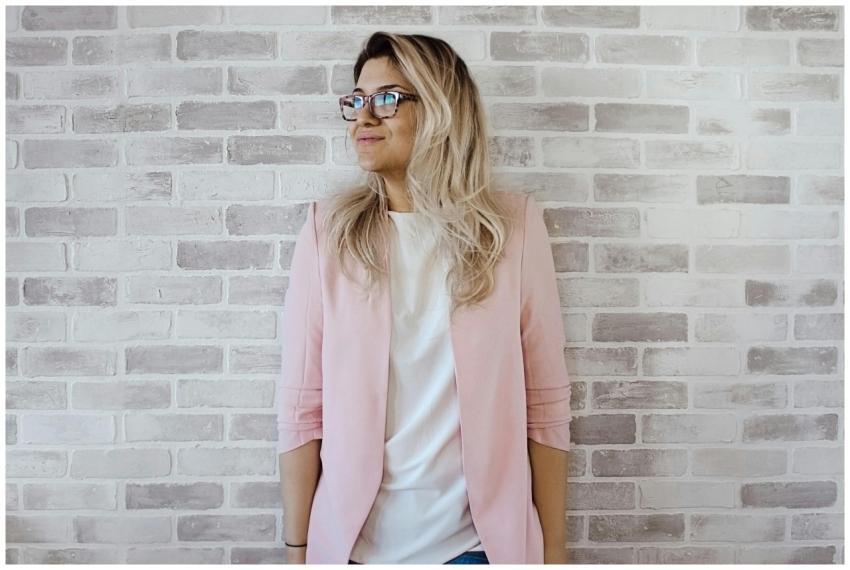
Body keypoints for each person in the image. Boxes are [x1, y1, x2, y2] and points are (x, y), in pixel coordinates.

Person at [277, 31, 571, 565]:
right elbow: (302, 409)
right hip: (353, 551)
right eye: (357, 101)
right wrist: (298, 549)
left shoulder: (514, 230)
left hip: (477, 549)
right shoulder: (329, 234)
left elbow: (546, 404)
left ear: (440, 110)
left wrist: (552, 551)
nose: (364, 118)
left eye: (387, 99)